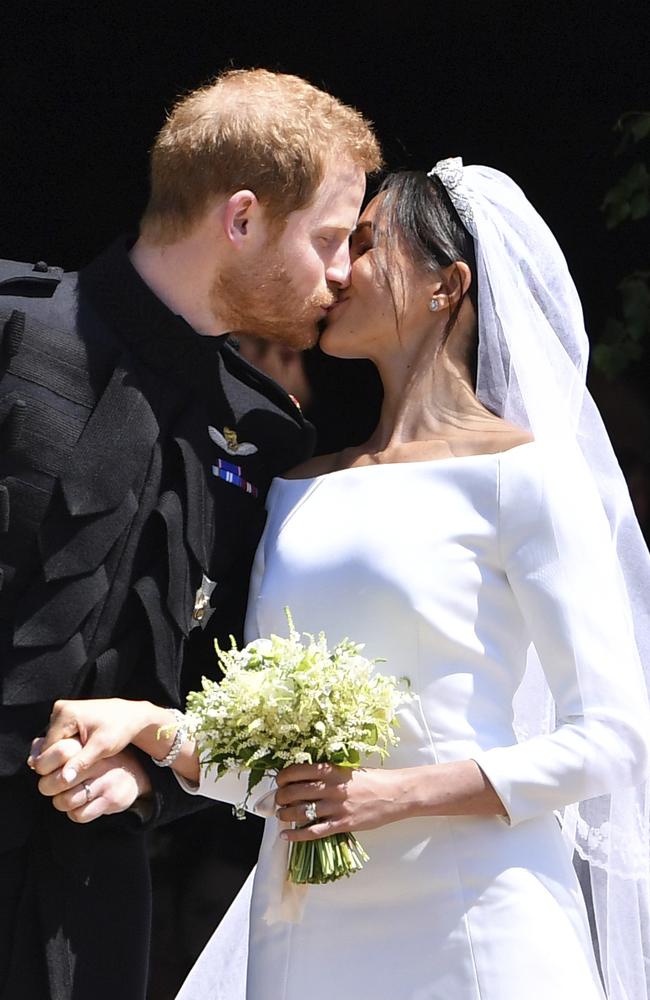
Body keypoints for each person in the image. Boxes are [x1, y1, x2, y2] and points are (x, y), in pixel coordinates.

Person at [33, 159, 650, 1000]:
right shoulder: (297, 484)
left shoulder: (525, 477)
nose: (335, 270)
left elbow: (614, 739)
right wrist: (150, 729)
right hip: (305, 925)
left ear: (447, 286)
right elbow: (276, 774)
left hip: (477, 919)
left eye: (364, 244)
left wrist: (394, 793)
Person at [0, 67, 381, 1000]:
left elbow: (228, 685)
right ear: (241, 218)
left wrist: (143, 777)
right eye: (329, 239)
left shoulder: (271, 442)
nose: (343, 273)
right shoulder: (10, 326)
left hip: (85, 910)